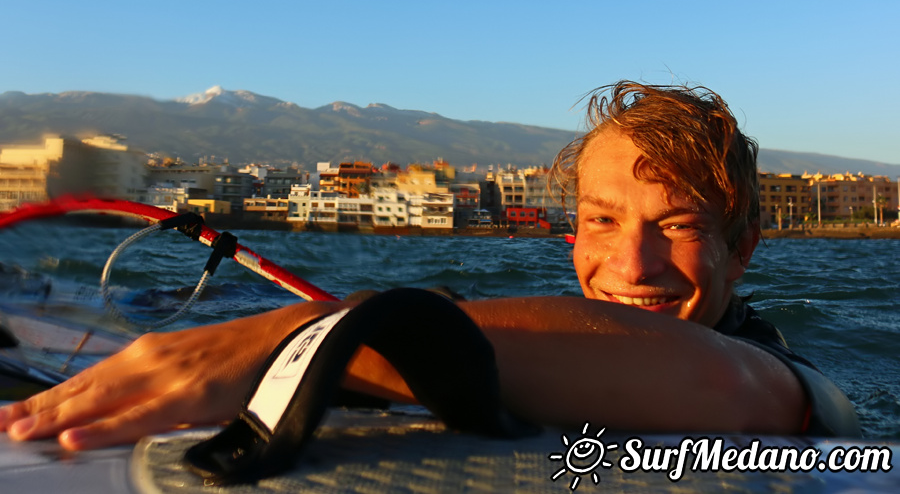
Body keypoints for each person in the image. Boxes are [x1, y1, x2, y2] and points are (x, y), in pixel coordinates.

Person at [0, 81, 859, 450]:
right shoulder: (540, 337)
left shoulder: (787, 381)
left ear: (744, 246)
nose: (630, 259)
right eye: (601, 218)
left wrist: (303, 337)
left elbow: (726, 390)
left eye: (675, 224)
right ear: (570, 234)